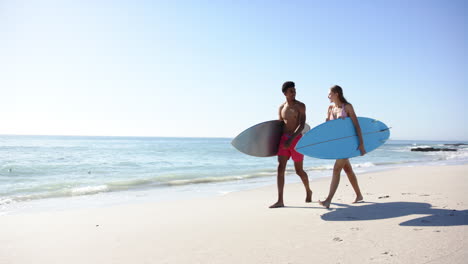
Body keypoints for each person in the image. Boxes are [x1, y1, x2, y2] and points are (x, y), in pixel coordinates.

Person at [319, 85, 366, 209]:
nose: (328, 96)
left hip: (348, 143)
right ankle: (359, 195)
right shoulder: (330, 108)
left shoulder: (347, 107)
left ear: (336, 94)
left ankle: (328, 200)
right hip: (337, 145)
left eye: (329, 94)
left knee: (336, 170)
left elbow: (357, 126)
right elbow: (327, 128)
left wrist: (361, 144)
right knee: (348, 170)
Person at [270, 81, 313, 208]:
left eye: (294, 91)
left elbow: (301, 125)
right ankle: (280, 200)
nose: (294, 93)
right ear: (285, 93)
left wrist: (291, 139)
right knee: (280, 168)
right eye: (291, 91)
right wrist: (277, 142)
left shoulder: (300, 106)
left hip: (297, 139)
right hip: (284, 139)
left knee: (299, 171)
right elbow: (279, 125)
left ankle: (308, 190)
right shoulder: (281, 108)